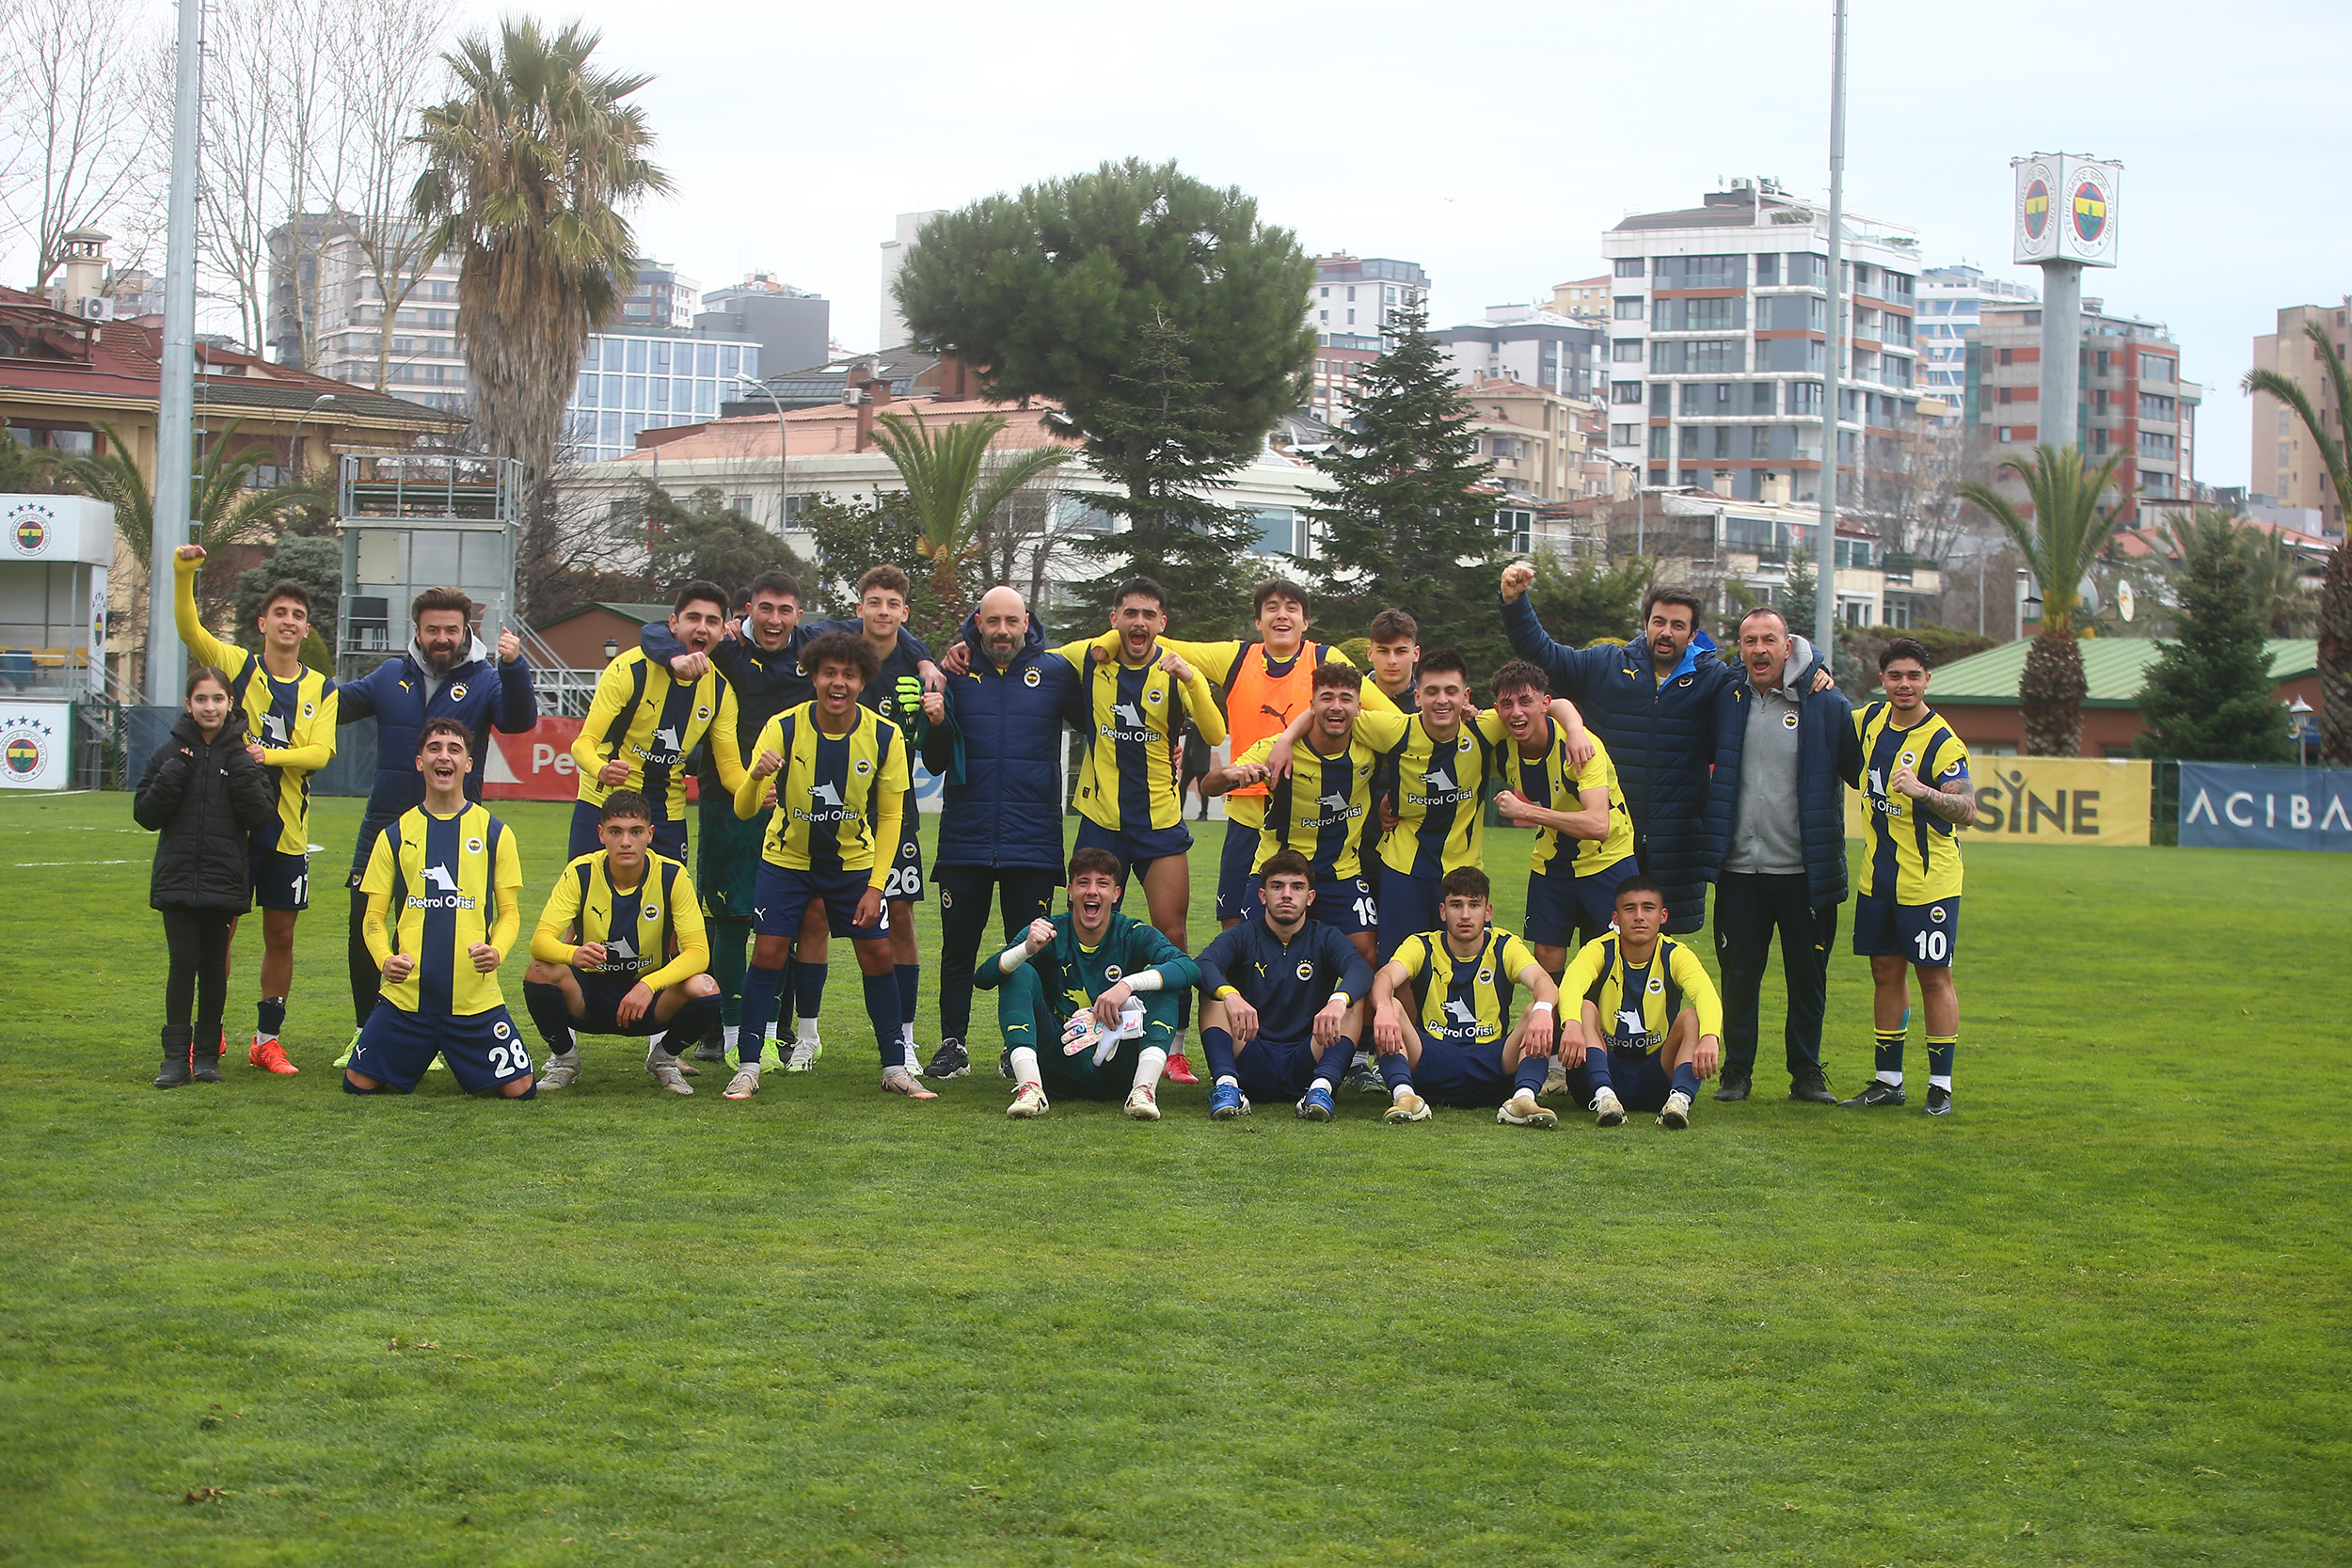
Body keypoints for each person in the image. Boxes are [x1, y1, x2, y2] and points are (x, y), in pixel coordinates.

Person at [641, 571, 937, 1069]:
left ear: (799, 616)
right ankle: (733, 1042)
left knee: (842, 938)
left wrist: (925, 654)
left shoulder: (840, 676)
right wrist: (754, 780)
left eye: (785, 610)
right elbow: (657, 632)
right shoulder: (735, 658)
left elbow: (880, 625)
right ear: (748, 610)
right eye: (765, 609)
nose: (775, 619)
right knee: (745, 929)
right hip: (743, 808)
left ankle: (846, 1046)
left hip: (832, 836)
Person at [1500, 567, 1838, 937]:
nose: (1666, 632)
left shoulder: (1716, 680)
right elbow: (1545, 655)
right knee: (1601, 951)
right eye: (1659, 622)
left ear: (1693, 634)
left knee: (1663, 958)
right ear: (1645, 624)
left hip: (1675, 846)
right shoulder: (1606, 665)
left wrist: (1812, 667)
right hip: (1606, 848)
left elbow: (1766, 659)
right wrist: (1516, 603)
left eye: (1678, 625)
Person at [1265, 650, 1585, 962]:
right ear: (1418, 696)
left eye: (1451, 691)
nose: (1442, 700)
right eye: (1432, 691)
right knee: (1398, 964)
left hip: (1463, 871)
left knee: (1468, 960)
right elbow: (1330, 711)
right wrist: (1284, 739)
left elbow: (1551, 704)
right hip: (1404, 871)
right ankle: (1406, 1019)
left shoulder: (1485, 727)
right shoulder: (1395, 730)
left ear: (1465, 696)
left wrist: (1575, 730)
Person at [332, 586, 537, 1065]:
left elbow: (519, 720)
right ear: (417, 632)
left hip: (454, 830)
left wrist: (515, 667)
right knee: (365, 925)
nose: (442, 638)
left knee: (446, 928)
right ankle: (368, 1032)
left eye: (451, 629)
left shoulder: (486, 679)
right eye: (432, 630)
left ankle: (441, 1034)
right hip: (386, 823)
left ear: (466, 630)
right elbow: (332, 706)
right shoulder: (389, 675)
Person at [723, 632, 928, 1101]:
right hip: (786, 862)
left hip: (854, 866)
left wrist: (877, 886)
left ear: (862, 681)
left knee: (877, 954)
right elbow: (743, 809)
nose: (839, 683)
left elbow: (892, 816)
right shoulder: (782, 728)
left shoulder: (884, 735)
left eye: (849, 675)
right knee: (769, 952)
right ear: (813, 677)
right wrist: (755, 778)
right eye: (829, 673)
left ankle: (895, 1067)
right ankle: (750, 1066)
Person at [170, 544, 338, 1074]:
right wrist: (183, 573)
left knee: (281, 934)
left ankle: (267, 1039)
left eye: (299, 616)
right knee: (222, 930)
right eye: (281, 614)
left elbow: (320, 753)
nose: (289, 622)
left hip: (288, 832)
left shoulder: (321, 688)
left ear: (306, 630)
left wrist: (270, 754)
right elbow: (190, 630)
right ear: (262, 622)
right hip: (232, 831)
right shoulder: (238, 665)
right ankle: (210, 1033)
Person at [917, 587, 1088, 1081]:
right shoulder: (954, 673)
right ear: (979, 621)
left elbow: (1101, 721)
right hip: (965, 839)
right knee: (958, 948)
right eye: (993, 622)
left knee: (1033, 949)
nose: (1002, 632)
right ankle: (953, 1045)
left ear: (1026, 620)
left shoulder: (1054, 672)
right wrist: (935, 726)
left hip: (1032, 842)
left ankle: (1025, 1049)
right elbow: (934, 761)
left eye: (1011, 621)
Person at [1700, 607, 1854, 1106]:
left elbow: (1857, 770)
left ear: (1790, 646)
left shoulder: (1826, 702)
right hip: (1739, 870)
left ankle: (1806, 1074)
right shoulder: (1725, 696)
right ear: (1739, 648)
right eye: (1750, 641)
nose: (1760, 649)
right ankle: (1736, 1072)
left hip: (1805, 873)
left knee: (1807, 980)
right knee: (1738, 978)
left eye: (1770, 640)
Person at [343, 721, 532, 1100]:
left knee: (520, 1089)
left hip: (473, 1000)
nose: (443, 755)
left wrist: (497, 951)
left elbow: (509, 913)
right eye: (434, 748)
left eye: (454, 749)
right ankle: (416, 1047)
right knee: (357, 1084)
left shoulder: (495, 832)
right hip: (407, 998)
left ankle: (446, 1048)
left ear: (467, 764)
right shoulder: (394, 834)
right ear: (419, 762)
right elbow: (373, 918)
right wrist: (384, 959)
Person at [1840, 637, 1971, 1116]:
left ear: (1928, 680)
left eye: (1914, 676)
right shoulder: (1870, 720)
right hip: (1878, 880)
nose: (1904, 684)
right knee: (1884, 972)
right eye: (1895, 676)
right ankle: (1888, 1080)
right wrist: (1819, 678)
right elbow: (1830, 716)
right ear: (1882, 679)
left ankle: (1941, 1085)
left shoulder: (1942, 741)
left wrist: (1922, 791)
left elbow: (1968, 810)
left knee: (1935, 978)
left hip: (1929, 882)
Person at [973, 848, 1200, 1119]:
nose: (1092, 891)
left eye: (1102, 883)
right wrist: (1025, 949)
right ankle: (1030, 1088)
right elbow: (983, 978)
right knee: (1017, 971)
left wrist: (1127, 985)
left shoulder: (1132, 932)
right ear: (1070, 891)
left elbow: (1190, 968)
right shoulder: (1047, 930)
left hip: (1118, 1067)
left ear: (1116, 893)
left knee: (1162, 981)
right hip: (1058, 1063)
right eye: (1083, 882)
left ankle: (1143, 1090)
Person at [134, 666, 277, 1087]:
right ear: (188, 704)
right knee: (181, 967)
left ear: (231, 703)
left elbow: (261, 816)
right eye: (201, 699)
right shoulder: (169, 754)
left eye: (218, 699)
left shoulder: (243, 756)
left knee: (214, 968)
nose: (209, 707)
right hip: (178, 877)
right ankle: (175, 1059)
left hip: (223, 877)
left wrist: (242, 775)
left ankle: (208, 1059)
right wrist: (174, 775)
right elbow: (145, 814)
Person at [523, 790, 721, 1095]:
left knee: (705, 987)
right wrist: (573, 954)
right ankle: (565, 1059)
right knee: (539, 971)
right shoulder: (581, 872)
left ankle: (665, 1059)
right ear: (601, 834)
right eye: (616, 832)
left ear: (650, 835)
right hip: (588, 995)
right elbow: (540, 942)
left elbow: (698, 954)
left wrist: (648, 985)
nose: (626, 842)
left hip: (648, 998)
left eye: (636, 832)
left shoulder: (672, 875)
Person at [1199, 663, 1380, 961]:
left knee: (1367, 953)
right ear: (1312, 705)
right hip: (1277, 868)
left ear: (1359, 707)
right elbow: (1208, 785)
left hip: (1341, 872)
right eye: (1327, 698)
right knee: (1249, 955)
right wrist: (1235, 774)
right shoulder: (1275, 749)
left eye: (1345, 699)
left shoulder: (1372, 744)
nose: (1336, 707)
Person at [1367, 867, 1562, 1127]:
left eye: (1474, 905)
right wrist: (1382, 1009)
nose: (1466, 915)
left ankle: (1523, 1099)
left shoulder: (1504, 945)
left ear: (1488, 911)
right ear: (1443, 911)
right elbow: (1384, 977)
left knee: (1536, 1011)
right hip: (1431, 1060)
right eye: (1456, 905)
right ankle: (1405, 1097)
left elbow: (1542, 981)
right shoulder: (1422, 945)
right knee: (1390, 1005)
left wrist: (1543, 1010)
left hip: (1492, 1062)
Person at [1479, 659, 1638, 975]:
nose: (1517, 712)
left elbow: (1598, 825)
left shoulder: (1581, 747)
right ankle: (1550, 1024)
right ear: (1497, 709)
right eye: (1507, 704)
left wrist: (1525, 811)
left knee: (1611, 959)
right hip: (1552, 862)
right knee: (1547, 955)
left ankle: (1600, 1026)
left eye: (1526, 702)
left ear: (1544, 704)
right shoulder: (1503, 743)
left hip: (1606, 861)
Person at [1190, 850, 1375, 1121]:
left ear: (1310, 897)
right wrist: (1230, 995)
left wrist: (1337, 1000)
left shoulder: (1325, 936)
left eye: (1297, 887)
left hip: (1308, 1056)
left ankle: (1322, 1089)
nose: (1287, 894)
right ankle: (1226, 1085)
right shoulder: (1243, 934)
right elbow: (1202, 964)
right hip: (1249, 1051)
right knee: (1213, 993)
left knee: (1351, 1000)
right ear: (1263, 895)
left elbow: (1360, 968)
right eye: (1277, 886)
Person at [571, 579, 743, 863]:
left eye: (712, 621)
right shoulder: (628, 668)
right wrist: (601, 769)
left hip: (666, 813)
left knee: (665, 904)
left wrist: (756, 786)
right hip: (603, 801)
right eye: (693, 618)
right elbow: (583, 744)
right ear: (673, 623)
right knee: (588, 898)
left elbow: (730, 770)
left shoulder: (721, 692)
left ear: (722, 633)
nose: (702, 628)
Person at [1554, 878, 1724, 1131]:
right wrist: (1570, 1025)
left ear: (1663, 915)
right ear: (1616, 917)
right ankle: (1605, 1098)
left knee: (1693, 1017)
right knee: (1583, 1009)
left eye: (1648, 908)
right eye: (1630, 909)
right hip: (1602, 1071)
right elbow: (1571, 984)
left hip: (1656, 1074)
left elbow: (1706, 994)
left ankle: (1678, 1101)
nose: (1639, 917)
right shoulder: (1600, 949)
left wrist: (1711, 1037)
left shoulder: (1675, 954)